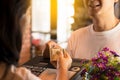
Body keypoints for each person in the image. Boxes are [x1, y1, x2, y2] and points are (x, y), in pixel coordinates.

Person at [0, 0, 72, 80]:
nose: (29, 22)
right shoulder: (20, 77)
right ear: (18, 20)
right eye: (29, 13)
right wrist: (63, 68)